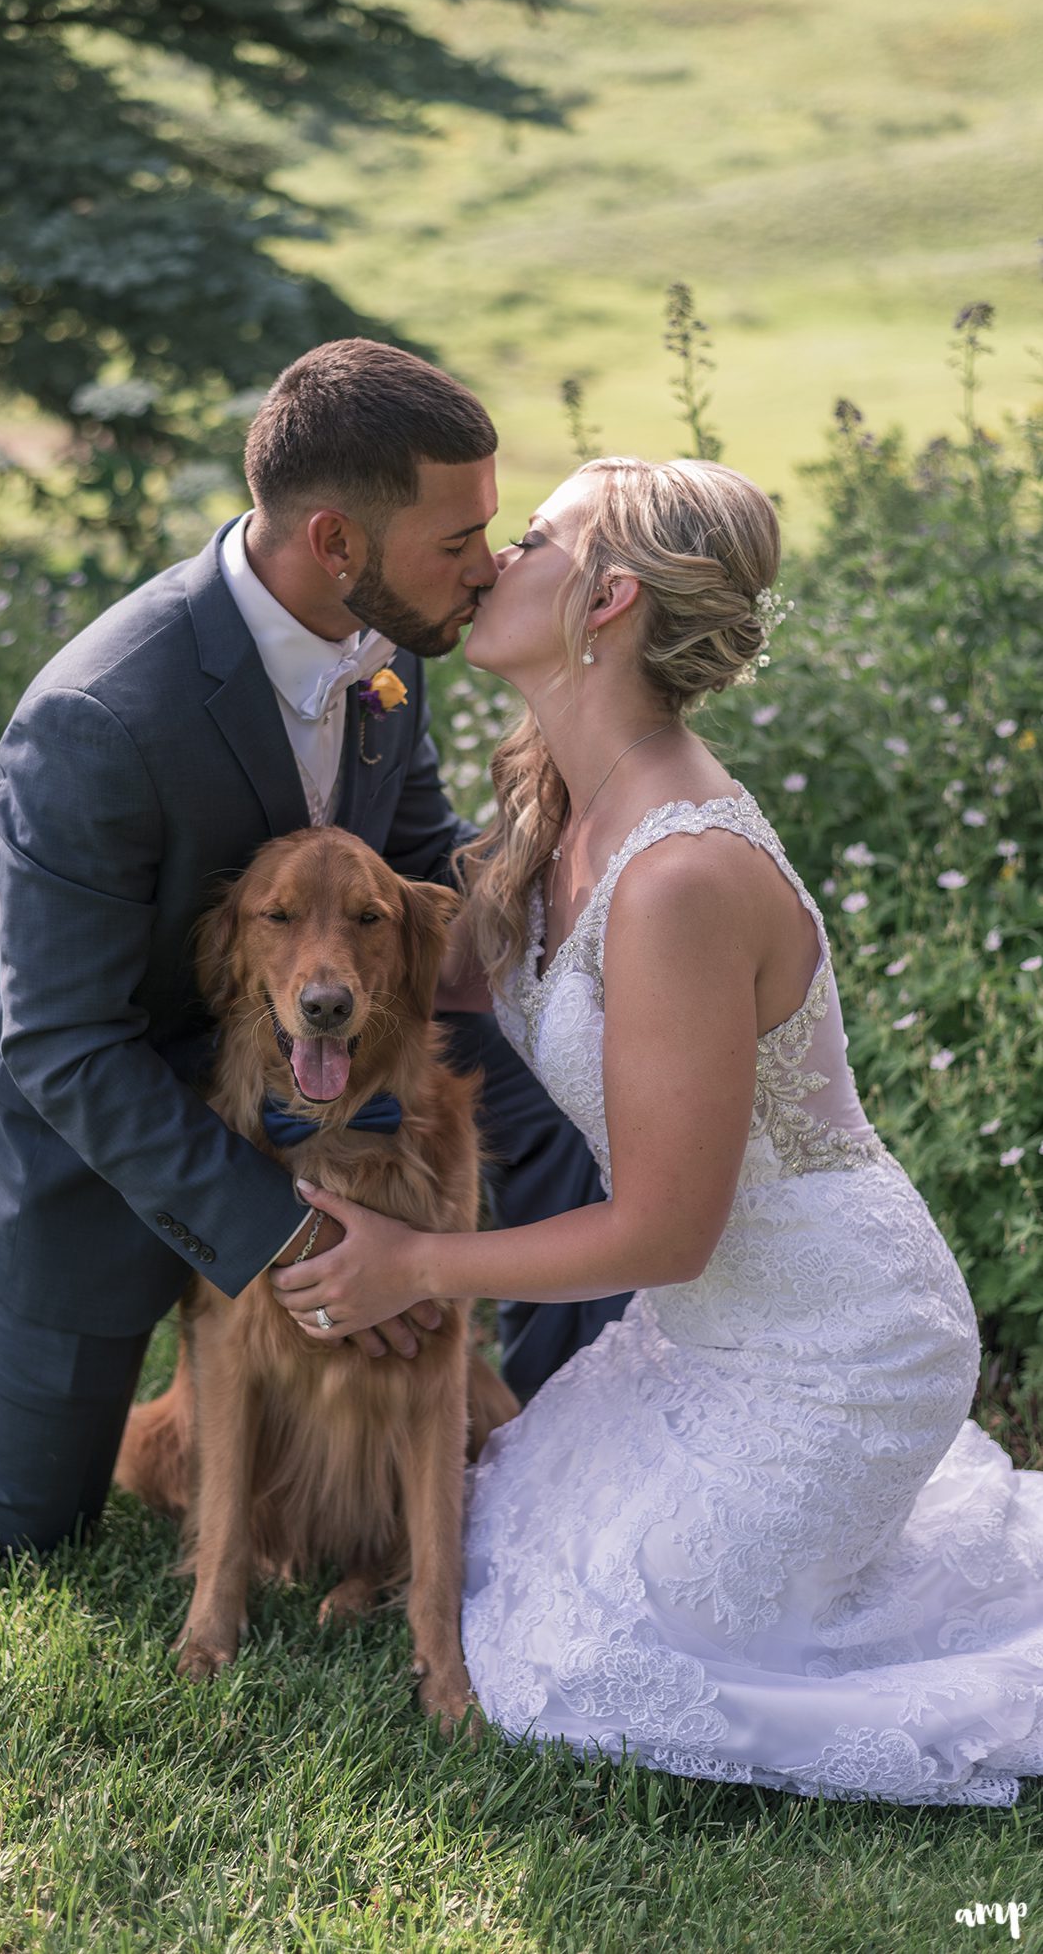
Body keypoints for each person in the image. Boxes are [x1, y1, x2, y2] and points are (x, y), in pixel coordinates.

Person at [0, 338, 627, 1550]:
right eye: (457, 542)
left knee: (563, 1096)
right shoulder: (95, 720)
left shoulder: (388, 641)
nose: (488, 566)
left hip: (315, 1055)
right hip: (101, 1126)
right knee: (12, 1515)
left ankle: (571, 1472)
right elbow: (62, 1042)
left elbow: (418, 852)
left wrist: (609, 908)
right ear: (335, 542)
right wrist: (284, 1231)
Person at [273, 455, 1043, 1808]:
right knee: (503, 1531)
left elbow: (666, 1229)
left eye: (532, 538)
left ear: (609, 595)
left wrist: (410, 1261)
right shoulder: (558, 793)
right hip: (702, 1335)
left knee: (578, 1662)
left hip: (834, 1340)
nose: (493, 560)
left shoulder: (681, 875)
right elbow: (435, 972)